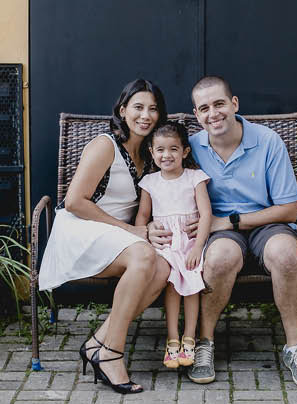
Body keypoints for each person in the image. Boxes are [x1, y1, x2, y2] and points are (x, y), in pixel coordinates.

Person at [170, 75, 297, 388]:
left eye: (220, 103)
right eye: (205, 108)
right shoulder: (191, 149)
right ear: (196, 115)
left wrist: (231, 221)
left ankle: (295, 347)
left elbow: (289, 210)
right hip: (222, 233)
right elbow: (165, 181)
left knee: (285, 253)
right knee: (219, 257)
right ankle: (204, 344)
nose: (214, 113)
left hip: (268, 223)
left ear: (234, 104)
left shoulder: (267, 141)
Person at [38, 79, 172, 394]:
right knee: (144, 255)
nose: (146, 115)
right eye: (138, 107)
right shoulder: (105, 145)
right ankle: (112, 353)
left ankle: (99, 341)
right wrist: (135, 232)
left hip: (116, 237)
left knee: (164, 267)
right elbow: (74, 201)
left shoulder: (152, 152)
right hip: (79, 231)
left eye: (153, 109)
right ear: (122, 110)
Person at [133, 122, 212, 370]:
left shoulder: (195, 178)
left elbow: (206, 214)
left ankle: (190, 336)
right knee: (171, 283)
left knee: (191, 282)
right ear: (152, 151)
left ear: (185, 152)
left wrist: (199, 247)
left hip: (190, 243)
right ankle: (172, 338)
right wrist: (146, 237)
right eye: (160, 150)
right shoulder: (150, 182)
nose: (166, 155)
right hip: (165, 244)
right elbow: (142, 218)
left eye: (173, 149)